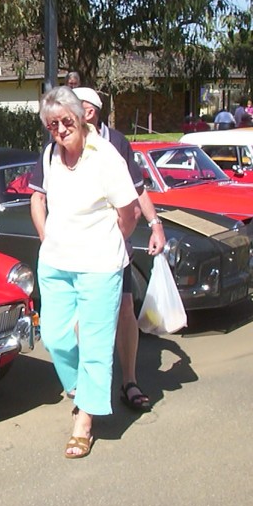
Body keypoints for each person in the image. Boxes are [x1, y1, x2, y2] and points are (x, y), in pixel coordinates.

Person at [29, 86, 139, 459]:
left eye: (65, 121)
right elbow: (40, 200)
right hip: (57, 261)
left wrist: (110, 241)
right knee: (57, 336)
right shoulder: (49, 156)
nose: (59, 130)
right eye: (52, 124)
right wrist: (47, 240)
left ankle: (84, 422)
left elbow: (130, 212)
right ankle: (84, 388)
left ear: (82, 117)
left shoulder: (106, 157)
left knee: (94, 342)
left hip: (99, 265)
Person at [71, 86, 166, 413]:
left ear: (90, 112)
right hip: (78, 244)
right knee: (82, 313)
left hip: (113, 244)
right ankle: (85, 382)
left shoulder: (117, 144)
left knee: (125, 308)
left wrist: (155, 225)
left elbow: (137, 191)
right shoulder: (63, 144)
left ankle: (129, 380)